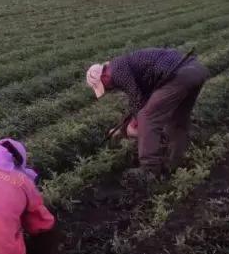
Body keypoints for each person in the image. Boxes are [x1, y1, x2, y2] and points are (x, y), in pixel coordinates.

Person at [86, 48, 209, 176]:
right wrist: (126, 123)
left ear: (104, 76)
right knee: (177, 120)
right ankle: (174, 163)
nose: (107, 89)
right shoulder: (124, 64)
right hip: (195, 70)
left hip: (178, 75)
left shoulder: (116, 70)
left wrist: (132, 123)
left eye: (103, 85)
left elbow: (137, 99)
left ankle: (149, 170)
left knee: (146, 117)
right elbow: (142, 97)